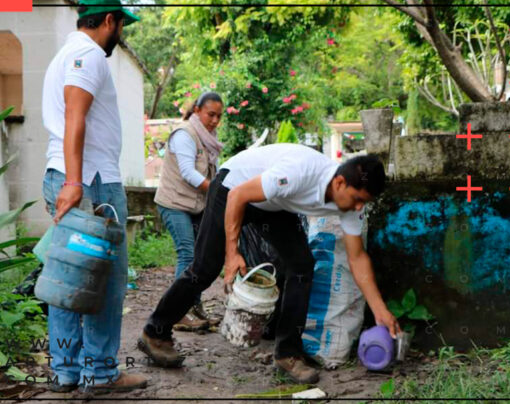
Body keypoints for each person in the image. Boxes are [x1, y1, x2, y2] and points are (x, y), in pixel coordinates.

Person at [138, 143, 401, 383]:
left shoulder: (349, 205)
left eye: (363, 203)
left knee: (301, 266)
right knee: (204, 269)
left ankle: (288, 354)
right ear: (341, 182)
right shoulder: (300, 172)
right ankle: (155, 332)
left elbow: (357, 258)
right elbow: (238, 196)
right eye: (357, 200)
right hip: (233, 188)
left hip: (274, 206)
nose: (358, 208)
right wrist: (232, 254)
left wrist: (379, 309)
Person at [41, 0, 147, 394]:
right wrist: (75, 181)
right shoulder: (89, 53)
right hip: (91, 182)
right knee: (106, 280)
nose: (121, 33)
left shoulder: (64, 54)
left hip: (70, 177)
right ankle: (100, 373)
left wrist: (68, 179)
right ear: (108, 21)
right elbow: (75, 114)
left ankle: (66, 372)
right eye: (121, 24)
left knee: (67, 277)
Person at [153, 92, 224, 331]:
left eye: (219, 116)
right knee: (187, 253)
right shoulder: (185, 134)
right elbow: (188, 172)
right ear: (197, 110)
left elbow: (214, 171)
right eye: (210, 114)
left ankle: (193, 307)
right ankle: (176, 314)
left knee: (201, 256)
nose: (215, 121)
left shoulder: (208, 138)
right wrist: (217, 191)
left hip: (196, 205)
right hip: (173, 203)